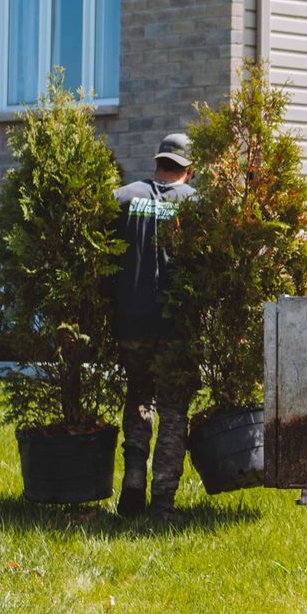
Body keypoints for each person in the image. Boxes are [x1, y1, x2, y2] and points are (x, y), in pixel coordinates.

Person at [114, 133, 198, 517]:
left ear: (157, 163)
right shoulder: (195, 204)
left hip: (130, 320)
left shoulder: (124, 198)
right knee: (173, 409)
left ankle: (133, 480)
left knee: (139, 396)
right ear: (189, 170)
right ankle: (163, 501)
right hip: (174, 327)